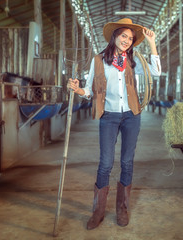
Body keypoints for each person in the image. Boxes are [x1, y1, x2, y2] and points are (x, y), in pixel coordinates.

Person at [68, 18, 161, 230]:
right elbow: (90, 91)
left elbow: (155, 72)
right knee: (106, 164)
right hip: (108, 116)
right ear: (115, 36)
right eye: (124, 36)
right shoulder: (99, 60)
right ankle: (98, 211)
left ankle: (122, 209)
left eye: (130, 38)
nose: (127, 41)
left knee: (127, 162)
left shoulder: (134, 59)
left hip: (131, 116)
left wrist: (152, 43)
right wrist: (78, 89)